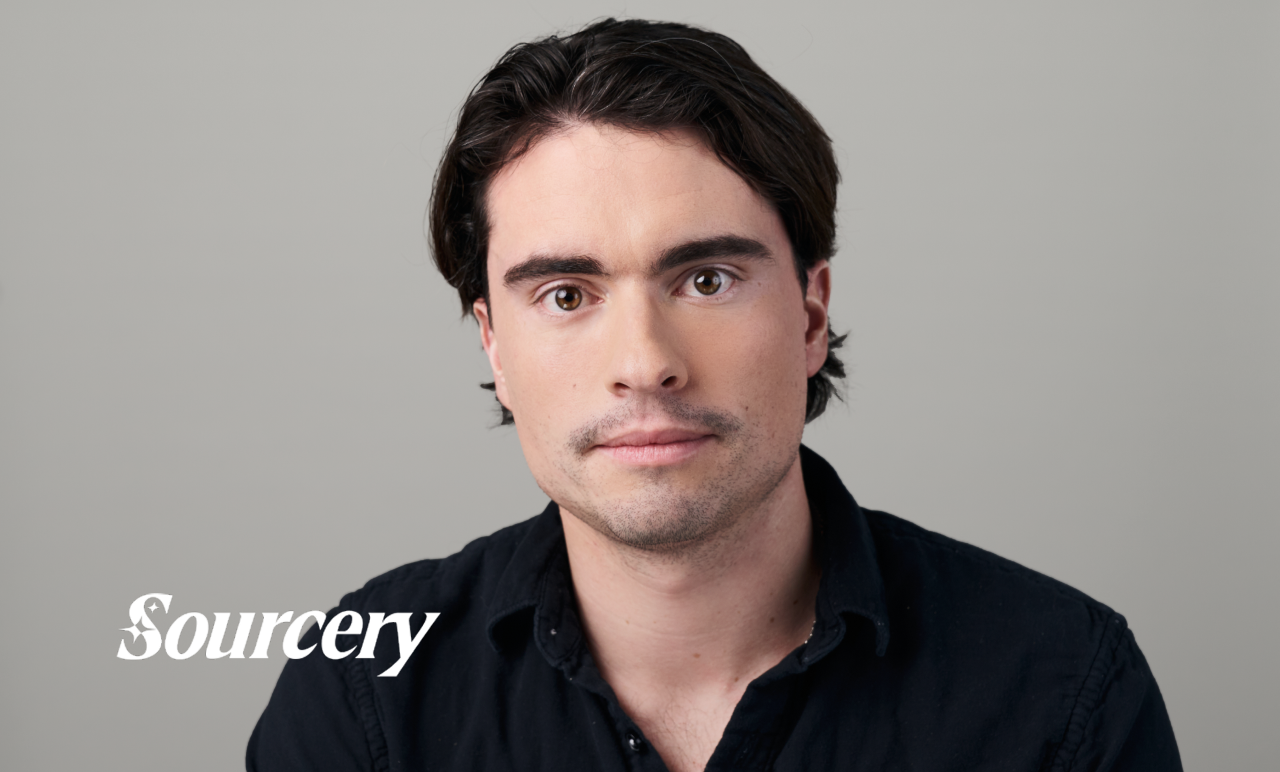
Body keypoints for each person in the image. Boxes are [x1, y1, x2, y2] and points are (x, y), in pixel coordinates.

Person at [247, 18, 1181, 771]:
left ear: (810, 314)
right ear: (494, 341)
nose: (645, 362)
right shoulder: (363, 693)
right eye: (566, 295)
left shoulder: (1062, 688)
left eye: (705, 281)